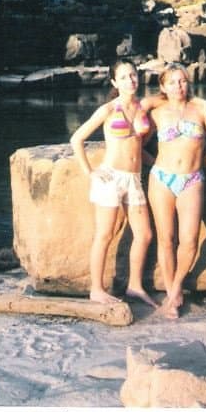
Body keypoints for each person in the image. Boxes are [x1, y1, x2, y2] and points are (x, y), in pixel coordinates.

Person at [142, 62, 206, 320]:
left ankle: (176, 287)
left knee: (189, 239)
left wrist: (200, 163)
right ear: (163, 87)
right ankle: (171, 293)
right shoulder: (157, 112)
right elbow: (138, 145)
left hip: (192, 180)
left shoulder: (200, 110)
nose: (178, 86)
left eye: (182, 81)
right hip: (161, 179)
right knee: (166, 238)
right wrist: (154, 163)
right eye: (172, 82)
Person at [70, 59, 158, 307]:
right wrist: (90, 172)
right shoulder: (108, 110)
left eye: (133, 75)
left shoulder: (144, 107)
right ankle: (96, 290)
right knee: (104, 234)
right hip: (110, 178)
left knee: (145, 234)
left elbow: (172, 98)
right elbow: (77, 139)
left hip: (133, 178)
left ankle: (135, 286)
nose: (131, 81)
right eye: (124, 77)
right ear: (114, 82)